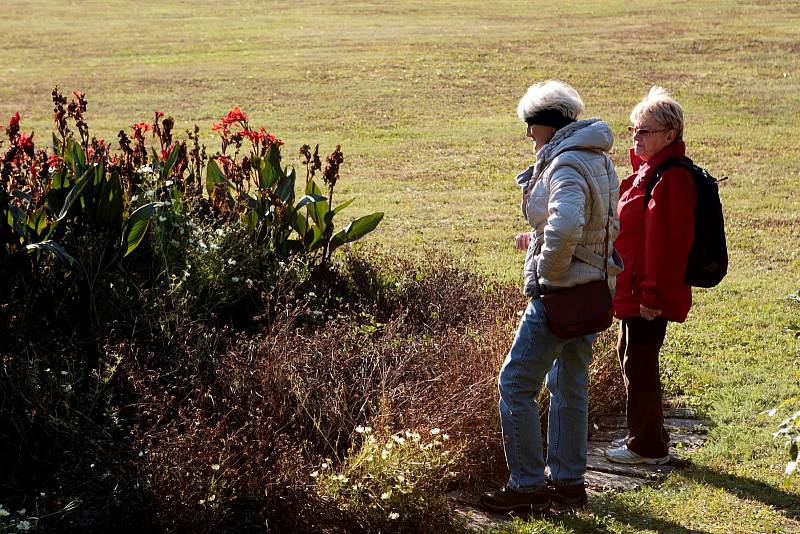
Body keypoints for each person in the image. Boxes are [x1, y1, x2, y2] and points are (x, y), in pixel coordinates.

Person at [480, 80, 621, 515]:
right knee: (569, 386)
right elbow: (594, 224)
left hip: (560, 294)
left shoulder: (563, 165)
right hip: (593, 291)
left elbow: (567, 224)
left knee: (515, 384)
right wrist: (539, 239)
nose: (528, 135)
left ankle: (525, 485)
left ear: (548, 123)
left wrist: (546, 273)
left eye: (530, 125)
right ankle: (567, 484)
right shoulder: (596, 156)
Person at [604, 87, 696, 465]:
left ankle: (646, 447)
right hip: (635, 287)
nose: (636, 137)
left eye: (644, 131)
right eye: (633, 129)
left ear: (669, 135)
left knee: (640, 363)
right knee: (633, 358)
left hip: (646, 294)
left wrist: (652, 298)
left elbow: (667, 245)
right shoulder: (648, 173)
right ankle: (650, 437)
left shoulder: (669, 179)